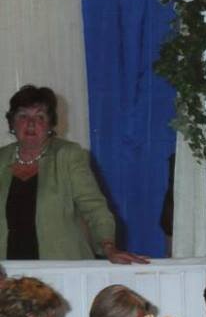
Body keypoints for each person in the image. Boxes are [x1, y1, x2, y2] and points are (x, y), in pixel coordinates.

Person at [0, 85, 148, 263]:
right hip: (7, 273)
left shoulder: (69, 155)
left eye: (40, 117)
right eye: (23, 116)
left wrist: (109, 247)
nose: (31, 123)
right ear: (12, 123)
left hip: (61, 268)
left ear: (50, 125)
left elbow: (94, 208)